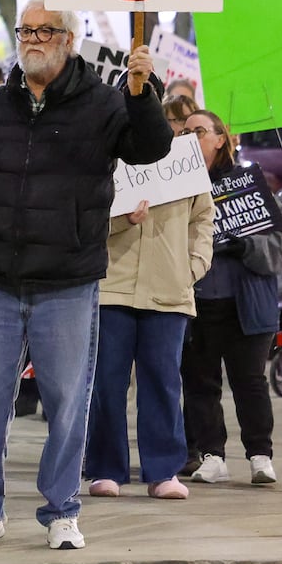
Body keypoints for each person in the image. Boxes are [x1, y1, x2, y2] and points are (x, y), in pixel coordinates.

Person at [0, 0, 173, 554]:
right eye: (27, 29)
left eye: (46, 30)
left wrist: (143, 94)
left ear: (69, 40)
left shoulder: (104, 102)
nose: (34, 39)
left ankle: (61, 511)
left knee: (68, 406)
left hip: (67, 281)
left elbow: (150, 150)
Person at [85, 112, 214, 500]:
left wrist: (193, 267)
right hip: (114, 288)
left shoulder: (186, 165)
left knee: (162, 381)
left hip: (170, 291)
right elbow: (87, 220)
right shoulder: (109, 161)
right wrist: (124, 220)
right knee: (107, 383)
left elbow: (203, 220)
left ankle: (163, 471)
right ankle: (106, 467)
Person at [182, 110, 282, 485]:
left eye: (198, 131)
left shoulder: (252, 185)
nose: (191, 137)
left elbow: (279, 247)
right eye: (184, 131)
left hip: (245, 303)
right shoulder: (178, 188)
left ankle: (260, 454)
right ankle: (212, 455)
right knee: (199, 383)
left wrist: (243, 243)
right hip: (197, 302)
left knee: (249, 381)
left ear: (220, 139)